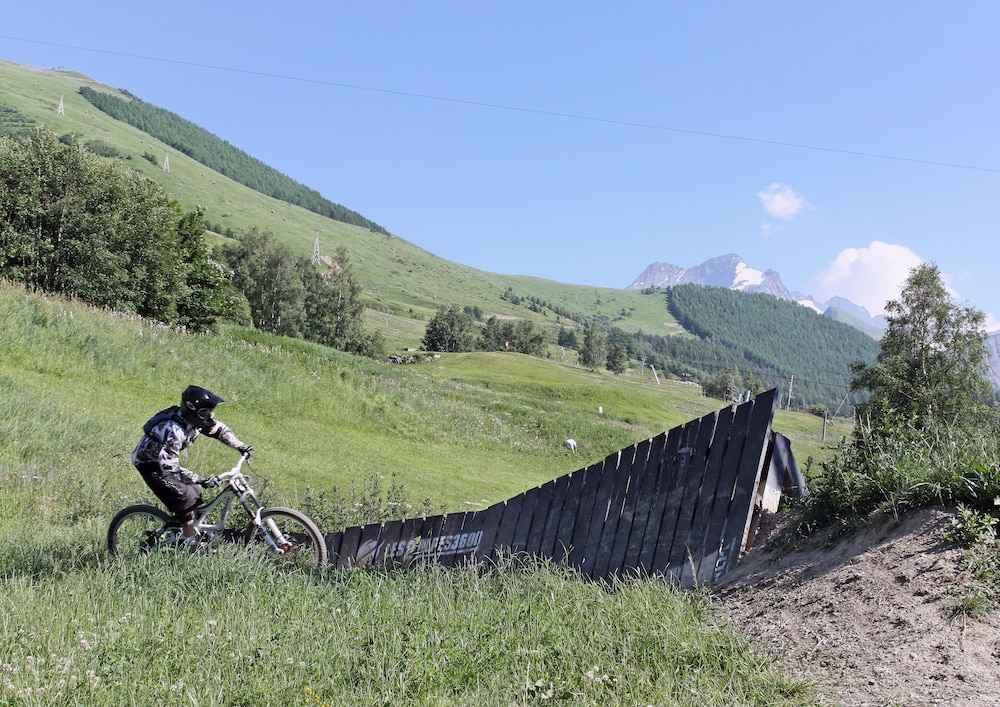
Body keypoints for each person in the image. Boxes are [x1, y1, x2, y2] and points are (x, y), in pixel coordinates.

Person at [132, 385, 253, 544]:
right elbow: (169, 466)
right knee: (187, 496)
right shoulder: (174, 429)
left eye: (211, 411)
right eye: (204, 412)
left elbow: (219, 431)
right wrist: (199, 478)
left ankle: (179, 532)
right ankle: (190, 544)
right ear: (192, 410)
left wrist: (240, 446)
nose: (209, 416)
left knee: (195, 493)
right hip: (151, 464)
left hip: (165, 462)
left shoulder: (194, 421)